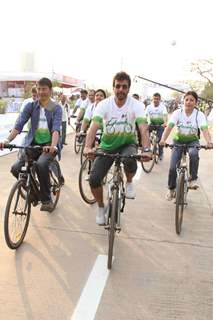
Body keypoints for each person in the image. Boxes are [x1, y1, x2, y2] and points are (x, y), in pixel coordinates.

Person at [84, 71, 152, 225]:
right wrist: (88, 147)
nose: (121, 89)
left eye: (124, 87)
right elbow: (94, 126)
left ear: (128, 88)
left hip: (128, 144)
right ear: (113, 88)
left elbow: (143, 127)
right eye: (118, 86)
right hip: (107, 146)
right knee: (94, 178)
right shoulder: (103, 104)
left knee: (130, 160)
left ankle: (128, 182)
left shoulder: (137, 105)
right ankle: (101, 207)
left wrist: (146, 149)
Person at [0, 77, 63, 212]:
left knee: (41, 164)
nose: (41, 92)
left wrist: (52, 145)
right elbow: (19, 125)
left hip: (48, 145)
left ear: (50, 91)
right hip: (32, 144)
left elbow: (56, 128)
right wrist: (7, 140)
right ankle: (34, 193)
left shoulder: (56, 108)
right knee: (15, 168)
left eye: (44, 89)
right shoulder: (31, 106)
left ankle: (46, 199)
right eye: (39, 89)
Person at [160, 90, 213, 200]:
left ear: (196, 102)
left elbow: (204, 129)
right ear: (183, 101)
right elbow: (169, 127)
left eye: (192, 100)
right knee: (172, 167)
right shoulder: (177, 113)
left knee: (194, 153)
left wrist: (209, 142)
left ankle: (192, 179)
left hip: (192, 142)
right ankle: (171, 189)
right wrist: (163, 140)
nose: (189, 102)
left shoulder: (199, 114)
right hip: (178, 141)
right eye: (187, 100)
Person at [145, 93, 168, 160]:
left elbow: (165, 115)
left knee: (160, 139)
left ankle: (161, 153)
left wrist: (165, 123)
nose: (155, 100)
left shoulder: (163, 107)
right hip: (151, 124)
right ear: (152, 99)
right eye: (154, 99)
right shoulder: (149, 107)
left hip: (160, 125)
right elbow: (146, 115)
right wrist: (146, 122)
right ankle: (147, 149)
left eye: (157, 99)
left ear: (160, 100)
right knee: (145, 134)